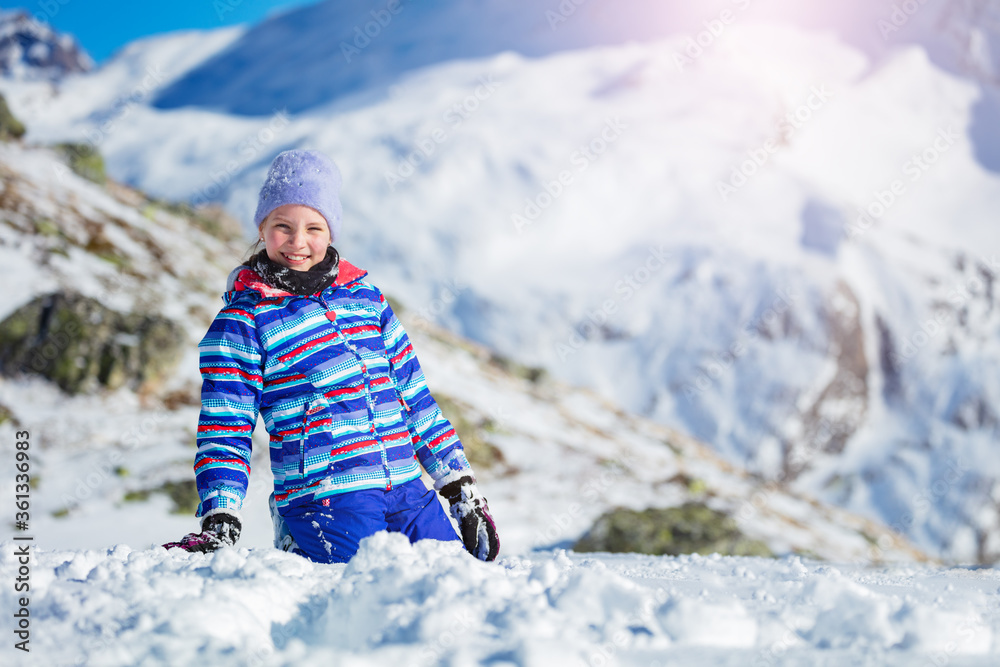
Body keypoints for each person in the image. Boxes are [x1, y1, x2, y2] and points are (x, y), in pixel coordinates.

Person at [164, 149, 499, 563]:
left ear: (332, 230)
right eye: (282, 226)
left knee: (454, 587)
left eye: (314, 227)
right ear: (262, 227)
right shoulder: (243, 322)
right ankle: (297, 534)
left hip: (409, 491)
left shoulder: (367, 300)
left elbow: (414, 398)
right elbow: (226, 426)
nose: (298, 242)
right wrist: (220, 513)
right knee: (369, 596)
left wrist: (459, 484)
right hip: (327, 496)